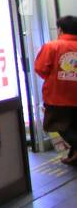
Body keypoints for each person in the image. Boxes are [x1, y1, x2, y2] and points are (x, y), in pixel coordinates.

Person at [35, 15, 77, 164]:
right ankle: (74, 156)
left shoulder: (52, 46)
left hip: (57, 97)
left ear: (60, 29)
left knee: (58, 125)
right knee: (74, 125)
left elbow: (40, 69)